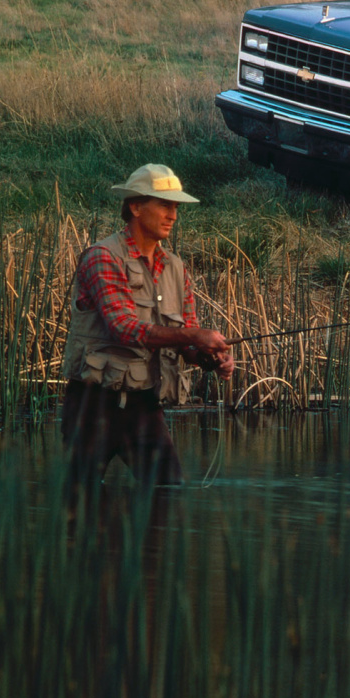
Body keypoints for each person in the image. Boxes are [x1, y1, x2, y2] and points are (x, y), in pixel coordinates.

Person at [60, 163, 235, 487]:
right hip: (92, 404)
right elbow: (123, 327)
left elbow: (186, 342)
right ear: (136, 207)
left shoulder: (177, 268)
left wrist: (210, 355)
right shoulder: (103, 257)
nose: (173, 215)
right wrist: (196, 335)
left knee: (167, 493)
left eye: (176, 207)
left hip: (143, 404)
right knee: (79, 504)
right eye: (165, 205)